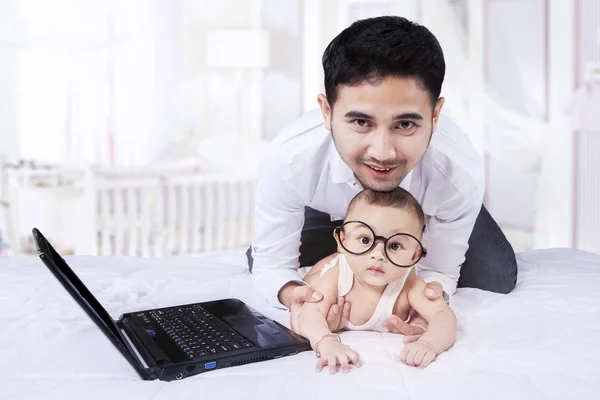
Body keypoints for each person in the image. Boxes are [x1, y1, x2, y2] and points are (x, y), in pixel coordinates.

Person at [247, 15, 517, 336]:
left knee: (494, 274)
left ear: (435, 115)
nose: (383, 152)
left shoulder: (457, 174)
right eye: (361, 122)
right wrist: (302, 297)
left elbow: (438, 270)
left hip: (425, 214)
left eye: (405, 124)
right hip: (326, 211)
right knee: (268, 258)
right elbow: (274, 267)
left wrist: (422, 308)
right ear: (326, 112)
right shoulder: (290, 160)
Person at [297, 187, 457, 373]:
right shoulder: (337, 275)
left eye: (395, 245)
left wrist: (429, 343)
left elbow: (444, 318)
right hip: (334, 264)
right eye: (365, 240)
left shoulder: (409, 283)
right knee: (311, 281)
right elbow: (310, 313)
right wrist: (326, 342)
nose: (378, 255)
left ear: (414, 256)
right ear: (342, 241)